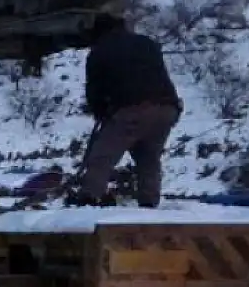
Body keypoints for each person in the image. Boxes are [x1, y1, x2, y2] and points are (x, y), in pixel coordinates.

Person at [76, 12, 182, 208]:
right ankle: (149, 204)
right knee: (148, 158)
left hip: (132, 109)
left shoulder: (100, 50)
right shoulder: (147, 43)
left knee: (102, 156)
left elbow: (95, 90)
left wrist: (101, 113)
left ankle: (87, 200)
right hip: (167, 108)